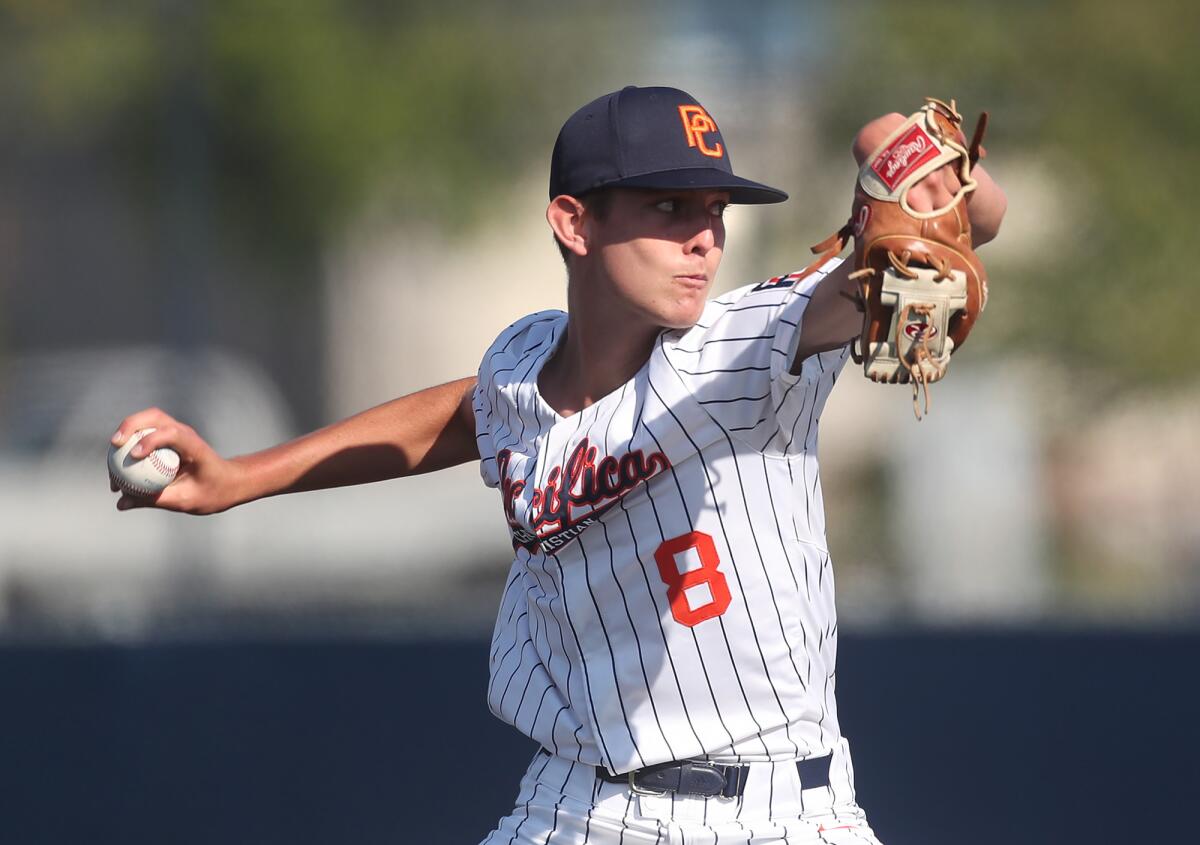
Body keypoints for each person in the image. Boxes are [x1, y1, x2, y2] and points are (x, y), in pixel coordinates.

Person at [112, 85, 1005, 843]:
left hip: (779, 812)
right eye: (667, 207)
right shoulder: (520, 367)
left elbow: (960, 228)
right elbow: (461, 414)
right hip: (581, 804)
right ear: (573, 222)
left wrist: (903, 163)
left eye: (713, 213)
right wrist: (240, 478)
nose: (703, 238)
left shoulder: (748, 347)